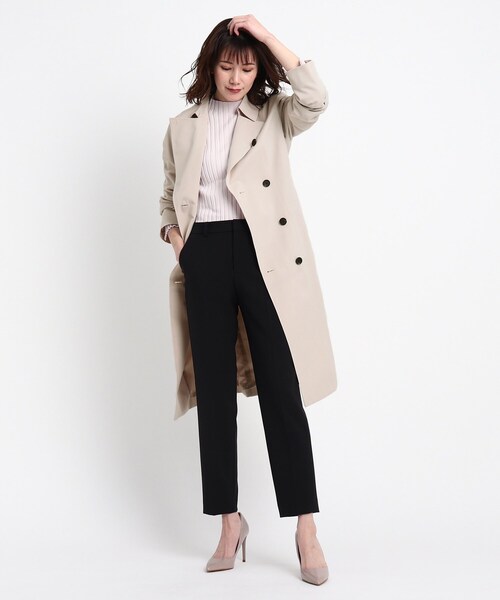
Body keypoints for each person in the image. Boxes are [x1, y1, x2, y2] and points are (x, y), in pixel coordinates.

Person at [159, 14, 337, 585]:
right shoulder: (182, 126)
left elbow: (315, 95)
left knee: (282, 390)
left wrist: (264, 35)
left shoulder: (275, 115)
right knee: (215, 396)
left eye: (247, 67)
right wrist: (177, 240)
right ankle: (229, 523)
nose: (236, 78)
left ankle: (306, 528)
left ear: (259, 70)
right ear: (210, 67)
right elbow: (169, 192)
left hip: (265, 256)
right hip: (205, 255)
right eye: (227, 66)